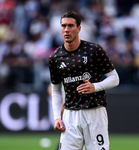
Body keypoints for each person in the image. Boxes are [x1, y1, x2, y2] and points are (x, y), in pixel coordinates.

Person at [48, 11, 119, 150]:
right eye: (63, 26)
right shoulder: (55, 58)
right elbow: (56, 90)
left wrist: (95, 87)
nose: (66, 30)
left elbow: (114, 78)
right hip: (70, 116)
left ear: (79, 28)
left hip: (95, 113)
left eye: (70, 26)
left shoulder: (94, 50)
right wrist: (57, 117)